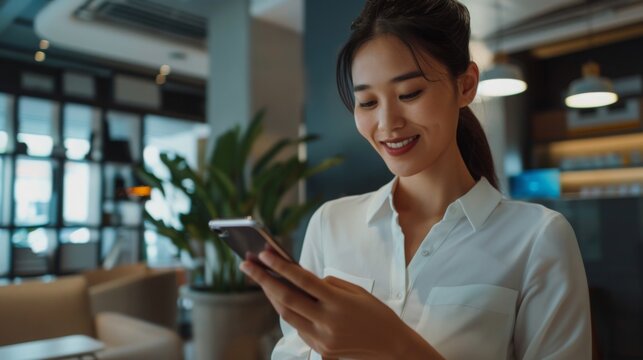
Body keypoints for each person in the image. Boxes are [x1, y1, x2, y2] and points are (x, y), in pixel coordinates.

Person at [239, 0, 592, 359]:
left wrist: (394, 344)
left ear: (466, 85)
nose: (388, 123)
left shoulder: (537, 238)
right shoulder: (331, 224)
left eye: (410, 94)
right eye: (367, 102)